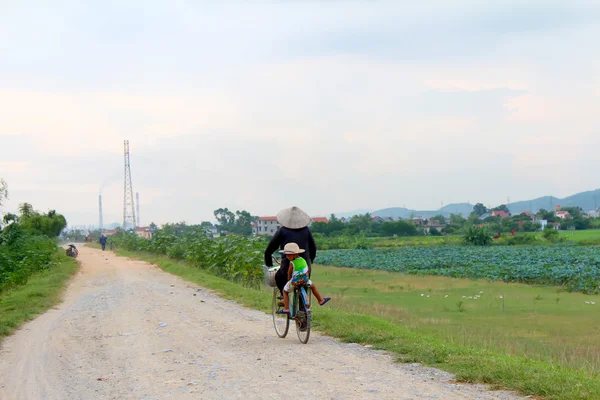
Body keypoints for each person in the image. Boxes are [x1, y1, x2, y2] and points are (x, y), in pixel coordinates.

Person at [264, 206, 318, 297]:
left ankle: (283, 297)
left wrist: (269, 262)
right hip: (304, 264)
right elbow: (313, 247)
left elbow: (270, 248)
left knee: (279, 277)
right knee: (304, 282)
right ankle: (303, 307)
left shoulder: (282, 231)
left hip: (287, 264)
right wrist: (310, 260)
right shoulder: (306, 230)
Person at [279, 242, 330, 313]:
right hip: (305, 280)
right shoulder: (303, 260)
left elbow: (289, 273)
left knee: (285, 291)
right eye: (287, 255)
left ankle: (286, 308)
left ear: (295, 254)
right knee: (313, 286)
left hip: (295, 282)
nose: (288, 257)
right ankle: (321, 300)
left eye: (290, 255)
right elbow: (307, 270)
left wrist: (289, 280)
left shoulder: (292, 263)